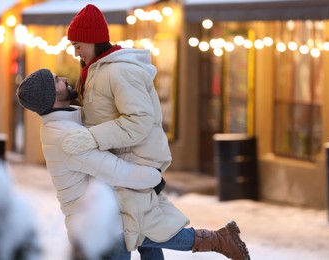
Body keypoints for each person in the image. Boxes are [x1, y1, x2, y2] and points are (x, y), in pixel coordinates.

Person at [66, 4, 250, 260]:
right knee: (141, 231)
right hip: (120, 162)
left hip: (134, 160)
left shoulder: (119, 71)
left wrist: (93, 137)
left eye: (78, 45)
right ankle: (220, 238)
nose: (76, 52)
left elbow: (140, 120)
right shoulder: (96, 72)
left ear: (94, 40)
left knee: (131, 230)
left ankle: (219, 239)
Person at [16, 68, 250, 260]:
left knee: (148, 230)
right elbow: (116, 171)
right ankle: (217, 239)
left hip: (113, 211)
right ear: (51, 96)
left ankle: (219, 239)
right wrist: (154, 176)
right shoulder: (65, 136)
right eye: (57, 80)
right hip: (101, 224)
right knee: (149, 233)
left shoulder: (68, 122)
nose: (64, 78)